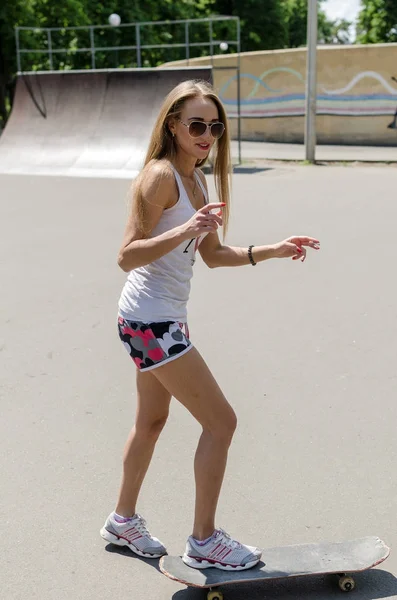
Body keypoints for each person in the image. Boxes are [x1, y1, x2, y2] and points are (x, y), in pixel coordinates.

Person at [100, 79, 320, 571]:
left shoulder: (197, 179)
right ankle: (204, 540)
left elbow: (215, 256)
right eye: (196, 124)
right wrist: (185, 227)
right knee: (222, 422)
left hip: (157, 318)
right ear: (172, 125)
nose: (206, 135)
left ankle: (122, 519)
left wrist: (274, 249)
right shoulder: (160, 177)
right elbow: (125, 255)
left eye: (214, 127)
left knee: (151, 422)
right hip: (149, 320)